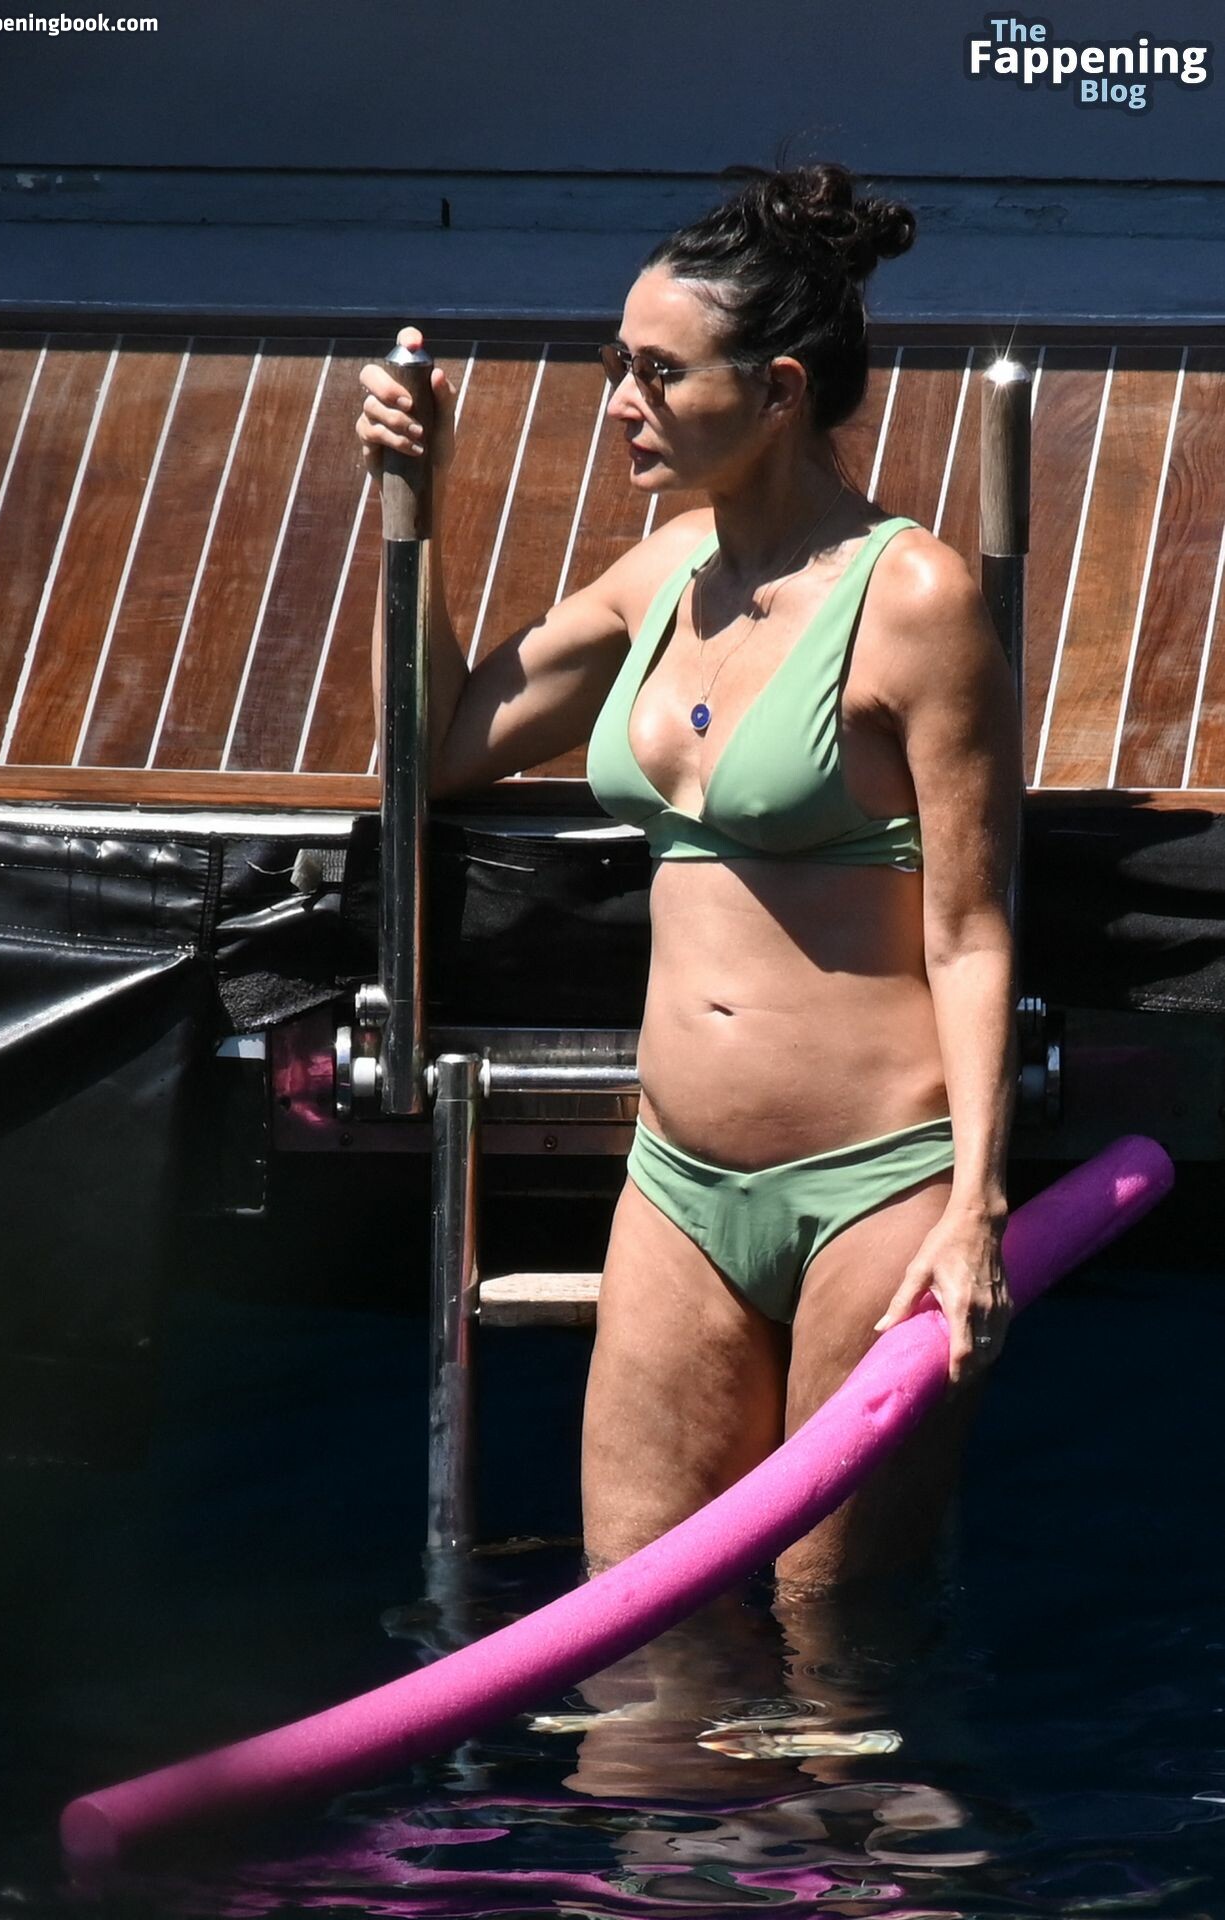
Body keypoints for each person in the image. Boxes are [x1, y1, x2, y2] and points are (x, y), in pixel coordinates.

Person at [357, 160, 1022, 1596]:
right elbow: (437, 749)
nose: (620, 403)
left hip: (876, 1191)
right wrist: (414, 502)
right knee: (639, 1636)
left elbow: (972, 930)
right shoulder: (660, 574)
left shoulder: (914, 599)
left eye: (657, 374)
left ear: (778, 390)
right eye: (617, 366)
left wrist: (974, 1205)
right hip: (676, 1184)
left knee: (830, 1648)